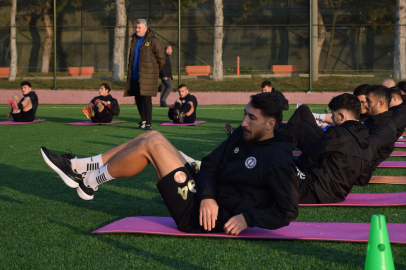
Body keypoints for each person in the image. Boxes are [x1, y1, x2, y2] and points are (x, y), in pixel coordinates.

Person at [40, 93, 300, 235]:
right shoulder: (241, 135)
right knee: (153, 136)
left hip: (202, 219)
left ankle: (88, 181)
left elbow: (287, 212)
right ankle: (84, 168)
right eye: (245, 114)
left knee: (150, 146)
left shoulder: (277, 159)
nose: (243, 121)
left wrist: (246, 218)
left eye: (251, 117)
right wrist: (208, 196)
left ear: (270, 124)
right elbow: (209, 164)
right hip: (204, 199)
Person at [295, 94, 374, 204]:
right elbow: (362, 180)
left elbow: (309, 156)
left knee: (276, 161)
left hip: (312, 188)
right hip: (338, 196)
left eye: (333, 115)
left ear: (342, 116)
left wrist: (297, 168)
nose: (332, 118)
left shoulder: (337, 134)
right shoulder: (367, 144)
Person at [124, 19, 166, 131]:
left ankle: (148, 123)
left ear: (145, 29)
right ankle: (143, 121)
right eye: (136, 27)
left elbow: (161, 59)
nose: (137, 29)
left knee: (147, 100)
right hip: (135, 75)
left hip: (148, 76)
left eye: (139, 28)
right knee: (138, 99)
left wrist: (156, 71)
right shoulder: (134, 39)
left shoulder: (154, 41)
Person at [224, 80, 289, 135]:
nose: (263, 92)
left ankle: (236, 133)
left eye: (265, 90)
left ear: (270, 88)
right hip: (263, 117)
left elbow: (286, 106)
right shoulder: (262, 96)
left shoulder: (277, 95)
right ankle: (235, 132)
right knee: (251, 119)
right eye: (262, 90)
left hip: (273, 119)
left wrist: (275, 104)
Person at [364, 85, 396, 177]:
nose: (365, 104)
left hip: (361, 170)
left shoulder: (385, 128)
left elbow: (365, 149)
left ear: (381, 104)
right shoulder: (372, 120)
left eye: (368, 101)